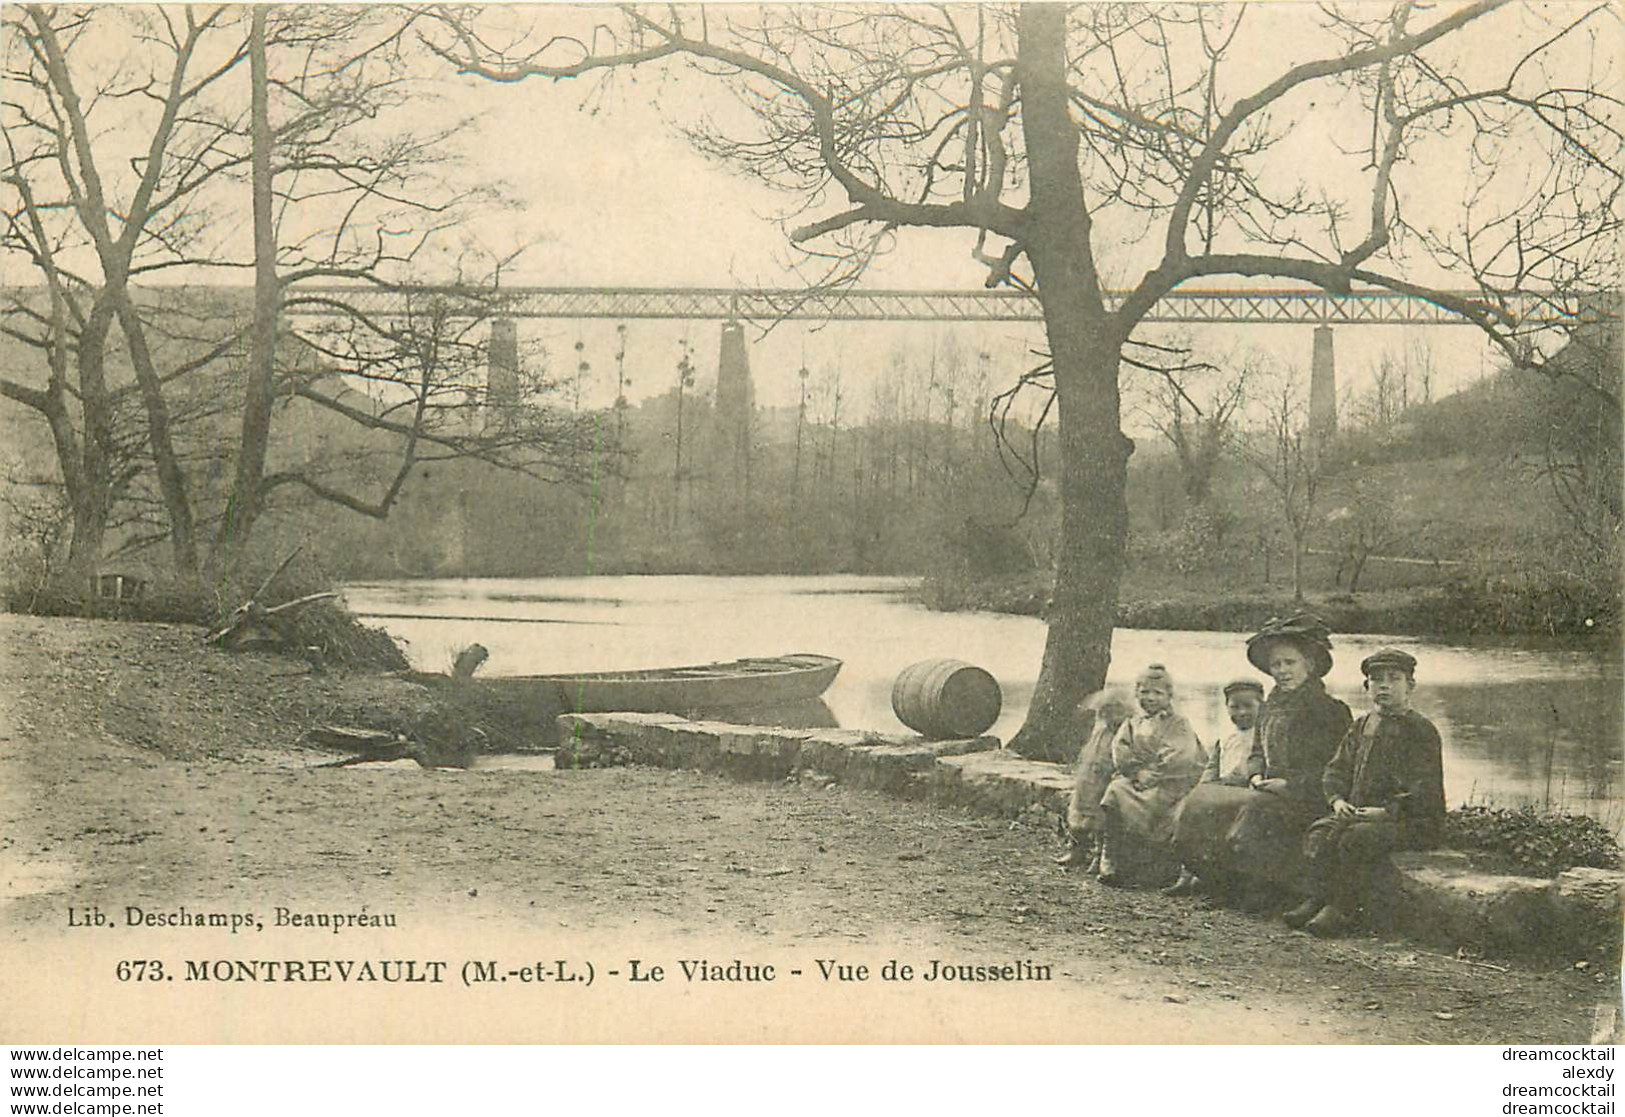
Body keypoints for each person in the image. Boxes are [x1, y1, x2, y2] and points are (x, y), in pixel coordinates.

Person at [1289, 647, 1446, 937]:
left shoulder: (1420, 730)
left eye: (1393, 679)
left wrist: (1387, 811)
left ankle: (1343, 908)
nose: (1383, 686)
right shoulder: (1362, 725)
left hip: (1411, 821)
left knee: (1355, 839)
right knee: (1319, 832)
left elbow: (1424, 788)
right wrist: (1337, 800)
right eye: (1376, 680)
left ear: (1410, 686)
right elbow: (1336, 769)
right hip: (1360, 813)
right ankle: (1318, 897)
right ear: (1366, 687)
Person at [1228, 614, 1353, 914]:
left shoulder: (1329, 711)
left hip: (1311, 796)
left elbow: (1337, 769)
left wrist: (1290, 785)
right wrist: (1256, 772)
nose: (1282, 671)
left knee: (1258, 813)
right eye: (1276, 665)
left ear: (1308, 665)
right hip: (1269, 789)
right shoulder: (1271, 706)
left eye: (1290, 663)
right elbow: (1257, 750)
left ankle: (1276, 891)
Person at [1097, 664, 1206, 887]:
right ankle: (1110, 857)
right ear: (1136, 693)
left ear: (1169, 696)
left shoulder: (1178, 723)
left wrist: (1153, 775)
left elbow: (1180, 756)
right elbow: (1121, 749)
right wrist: (1137, 772)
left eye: (1158, 693)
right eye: (1144, 692)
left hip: (1170, 781)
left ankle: (1155, 868)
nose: (1151, 698)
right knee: (1116, 790)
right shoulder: (1132, 722)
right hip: (1139, 778)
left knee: (1159, 803)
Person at [1163, 677, 1266, 897]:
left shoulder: (1263, 735)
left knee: (1223, 821)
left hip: (1245, 791)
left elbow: (1256, 769)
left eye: (1248, 706)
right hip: (1219, 788)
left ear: (1262, 705)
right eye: (1234, 707)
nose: (1241, 713)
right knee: (1191, 809)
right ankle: (1188, 872)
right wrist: (1202, 789)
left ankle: (1221, 882)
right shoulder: (1225, 736)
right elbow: (1212, 766)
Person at [1056, 689, 1135, 871]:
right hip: (1090, 780)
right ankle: (1077, 849)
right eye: (1106, 711)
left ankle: (1099, 855)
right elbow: (1089, 753)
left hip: (1107, 781)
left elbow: (1124, 758)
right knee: (1078, 815)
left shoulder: (1125, 733)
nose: (1111, 716)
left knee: (1102, 820)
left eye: (1117, 712)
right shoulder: (1100, 732)